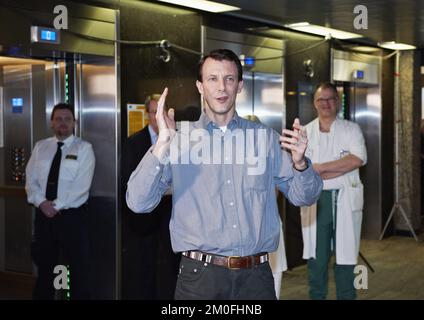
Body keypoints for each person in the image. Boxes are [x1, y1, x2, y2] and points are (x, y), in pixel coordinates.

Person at [126, 49, 322, 300]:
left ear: (239, 86)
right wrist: (161, 144)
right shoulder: (179, 140)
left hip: (256, 278)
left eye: (229, 79)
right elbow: (138, 202)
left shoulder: (263, 139)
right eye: (212, 79)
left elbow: (305, 196)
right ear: (200, 86)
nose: (222, 87)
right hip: (200, 279)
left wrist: (301, 164)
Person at [300, 82, 367, 300]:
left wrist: (320, 168)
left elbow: (356, 159)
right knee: (316, 259)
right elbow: (303, 168)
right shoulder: (305, 132)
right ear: (314, 103)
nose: (326, 103)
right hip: (317, 201)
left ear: (337, 102)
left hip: (345, 199)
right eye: (321, 99)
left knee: (346, 258)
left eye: (330, 99)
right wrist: (337, 165)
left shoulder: (351, 129)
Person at [25, 103, 95, 300]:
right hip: (44, 218)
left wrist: (54, 206)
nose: (62, 123)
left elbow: (81, 187)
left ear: (74, 123)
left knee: (78, 269)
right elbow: (30, 180)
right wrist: (42, 203)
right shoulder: (41, 147)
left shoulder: (84, 149)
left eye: (67, 119)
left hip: (71, 218)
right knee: (48, 267)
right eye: (58, 119)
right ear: (52, 123)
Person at [122, 94, 180, 299]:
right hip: (143, 224)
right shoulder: (133, 143)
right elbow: (128, 183)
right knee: (142, 276)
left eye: (162, 112)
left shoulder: (179, 142)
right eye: (154, 112)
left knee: (168, 278)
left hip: (170, 223)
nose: (158, 117)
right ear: (147, 115)